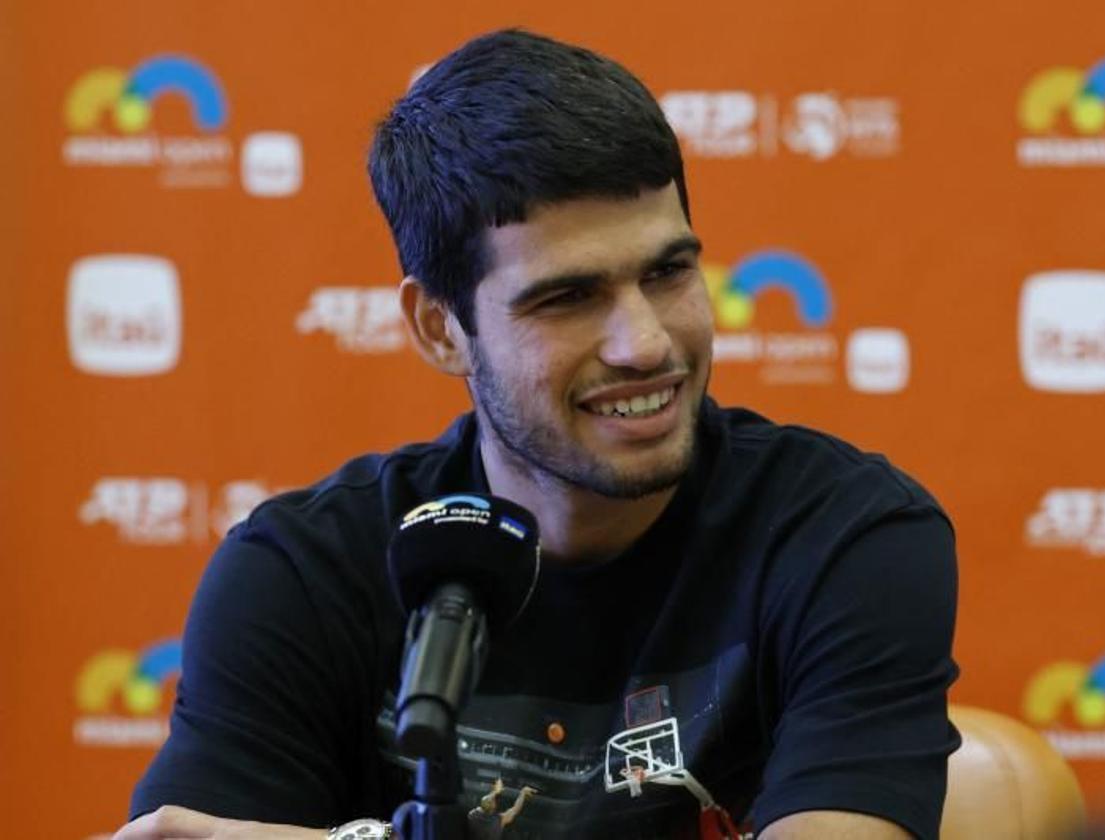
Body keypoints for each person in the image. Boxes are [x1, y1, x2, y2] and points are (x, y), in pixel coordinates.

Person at [115, 28, 959, 840]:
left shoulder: (844, 537)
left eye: (668, 273)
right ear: (441, 329)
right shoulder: (303, 575)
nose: (647, 344)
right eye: (567, 298)